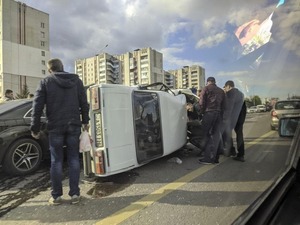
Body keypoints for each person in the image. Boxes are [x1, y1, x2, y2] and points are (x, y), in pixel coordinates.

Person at [30, 58, 90, 205]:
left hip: (55, 126)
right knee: (74, 159)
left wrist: (35, 128)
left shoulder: (45, 82)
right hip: (73, 125)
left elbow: (37, 106)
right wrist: (85, 121)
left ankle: (56, 196)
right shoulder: (76, 80)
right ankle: (75, 194)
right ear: (62, 67)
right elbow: (84, 102)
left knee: (56, 161)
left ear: (50, 70)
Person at [198, 77, 226, 164]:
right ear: (214, 82)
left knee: (206, 135)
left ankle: (207, 158)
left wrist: (202, 112)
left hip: (209, 113)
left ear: (208, 82)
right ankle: (215, 158)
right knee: (216, 136)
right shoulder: (221, 91)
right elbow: (224, 105)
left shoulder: (205, 89)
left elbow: (201, 102)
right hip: (218, 114)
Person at [222, 80, 245, 161]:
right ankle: (241, 155)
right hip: (240, 118)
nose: (225, 89)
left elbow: (227, 108)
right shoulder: (241, 94)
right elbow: (244, 108)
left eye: (225, 87)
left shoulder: (228, 94)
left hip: (231, 119)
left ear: (228, 86)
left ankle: (232, 151)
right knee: (239, 136)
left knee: (227, 135)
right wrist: (242, 119)